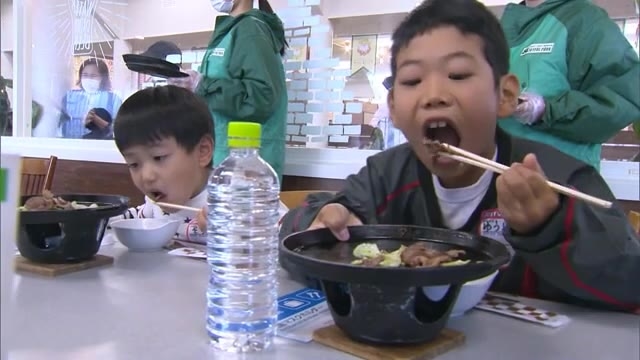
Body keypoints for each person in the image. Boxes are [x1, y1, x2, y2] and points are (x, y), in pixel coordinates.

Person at [279, 0, 640, 312]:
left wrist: (549, 228)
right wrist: (322, 227)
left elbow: (628, 281)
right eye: (412, 80)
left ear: (506, 96)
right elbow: (297, 230)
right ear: (394, 106)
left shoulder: (555, 180)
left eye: (458, 74)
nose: (434, 94)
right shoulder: (386, 176)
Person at [498, 0, 640, 170]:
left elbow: (621, 99)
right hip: (498, 173)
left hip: (561, 179)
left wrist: (545, 110)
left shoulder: (586, 22)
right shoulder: (501, 28)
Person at [196, 0, 287, 184]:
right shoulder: (232, 32)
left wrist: (204, 85)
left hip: (246, 170)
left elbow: (259, 98)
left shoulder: (251, 30)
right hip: (226, 163)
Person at [111, 85, 213, 244]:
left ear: (202, 151)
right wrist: (94, 217)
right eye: (134, 164)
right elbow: (137, 216)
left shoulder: (231, 203)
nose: (147, 176)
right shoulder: (154, 206)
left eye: (158, 157)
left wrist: (231, 233)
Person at [59, 58, 122, 139]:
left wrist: (97, 120)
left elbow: (117, 130)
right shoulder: (69, 97)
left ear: (103, 78)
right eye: (85, 75)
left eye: (93, 76)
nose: (89, 79)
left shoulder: (113, 100)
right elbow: (59, 124)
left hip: (100, 147)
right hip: (70, 145)